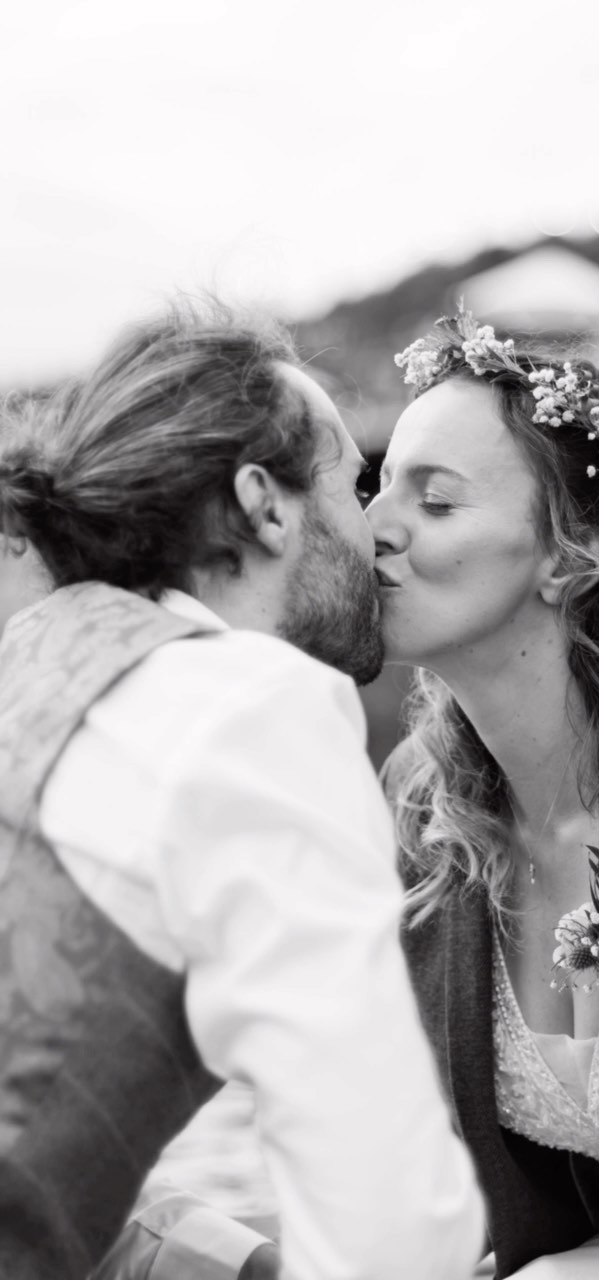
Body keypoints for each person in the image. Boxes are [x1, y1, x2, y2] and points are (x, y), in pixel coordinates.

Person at [0, 304, 483, 1280]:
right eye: (353, 482)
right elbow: (390, 1237)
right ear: (264, 505)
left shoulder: (35, 657)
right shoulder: (249, 709)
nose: (378, 528)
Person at [366, 310, 599, 1280]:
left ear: (565, 556)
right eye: (377, 487)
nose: (375, 528)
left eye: (434, 503)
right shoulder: (425, 812)